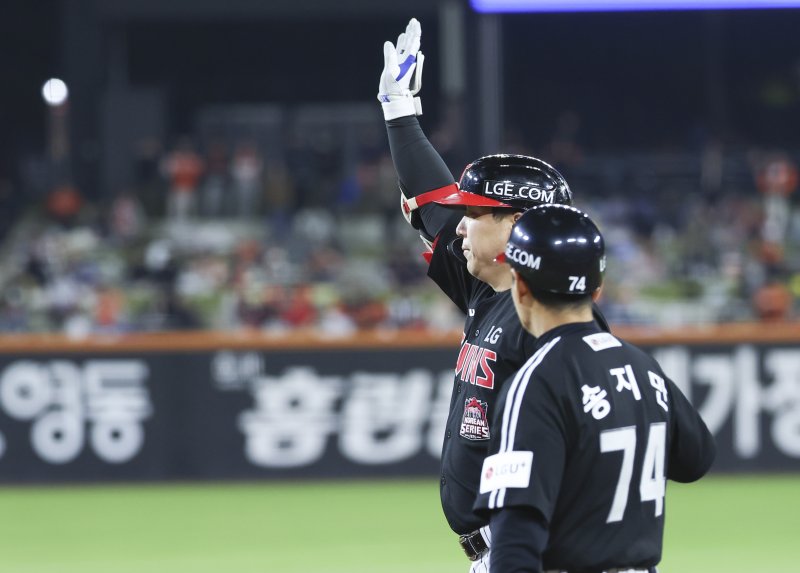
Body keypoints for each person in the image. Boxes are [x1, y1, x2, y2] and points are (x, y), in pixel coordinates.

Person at [377, 18, 609, 570]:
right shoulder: (490, 288)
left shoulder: (551, 321)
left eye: (475, 213)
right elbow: (434, 207)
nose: (459, 225)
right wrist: (399, 115)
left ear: (518, 226)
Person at [474, 205, 716, 573]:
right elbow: (697, 458)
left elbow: (516, 533)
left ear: (520, 287)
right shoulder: (643, 368)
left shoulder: (536, 382)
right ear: (597, 289)